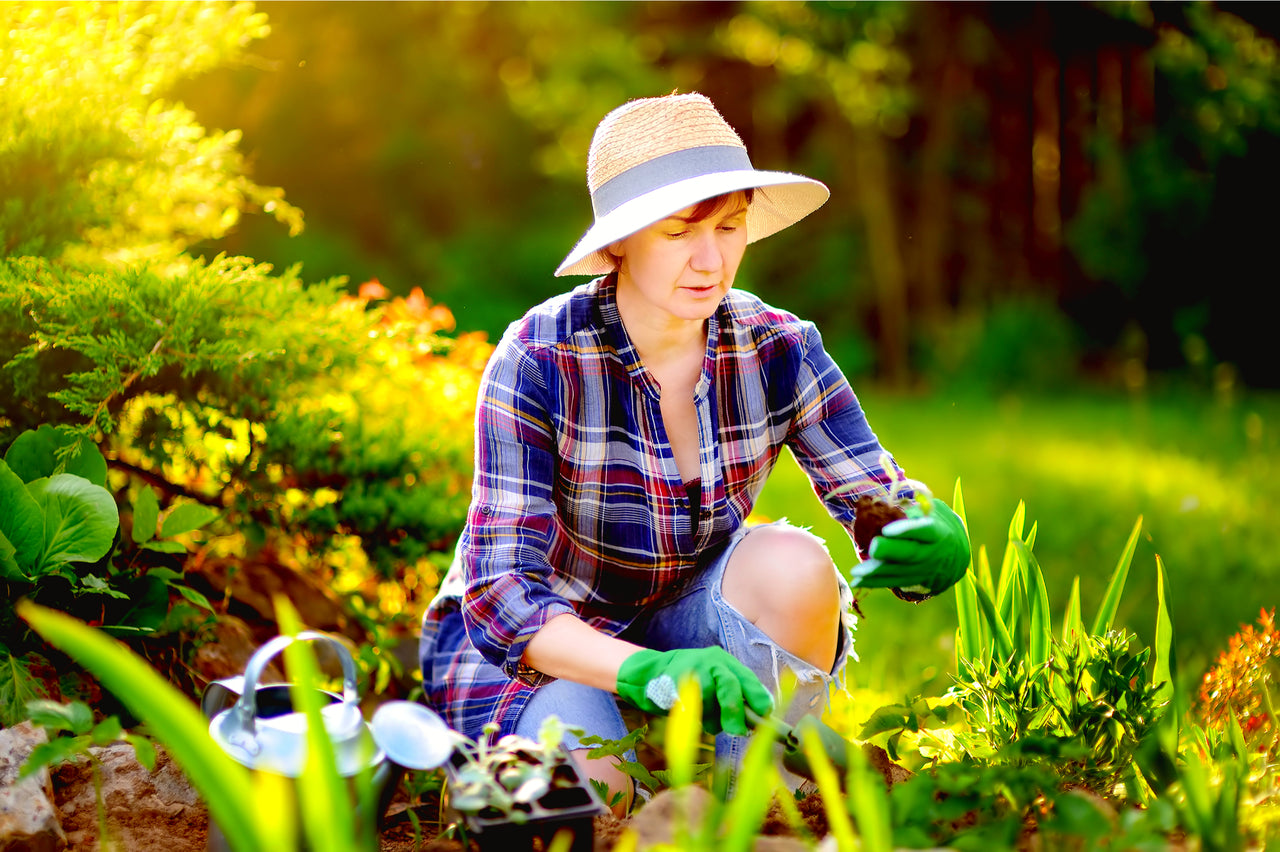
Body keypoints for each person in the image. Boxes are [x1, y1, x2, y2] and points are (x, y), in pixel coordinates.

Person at [419, 92, 969, 811]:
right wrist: (650, 671)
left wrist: (924, 533)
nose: (711, 260)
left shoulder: (778, 346)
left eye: (731, 226)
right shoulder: (540, 357)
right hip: (542, 647)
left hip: (684, 617)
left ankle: (761, 796)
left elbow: (875, 495)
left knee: (796, 564)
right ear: (620, 242)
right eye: (680, 232)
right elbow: (502, 598)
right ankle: (627, 755)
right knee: (596, 797)